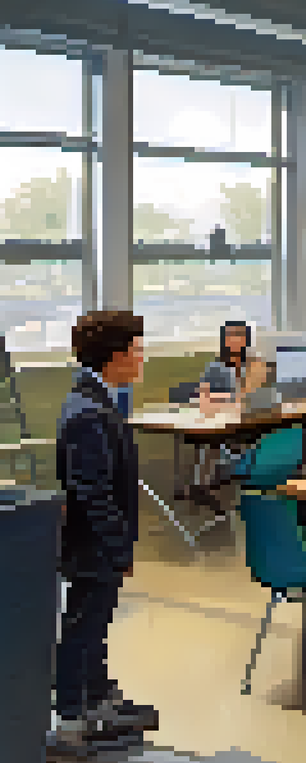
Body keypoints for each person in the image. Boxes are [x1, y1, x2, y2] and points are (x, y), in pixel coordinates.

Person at [56, 310, 159, 740]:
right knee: (84, 627)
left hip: (99, 543)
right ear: (114, 356)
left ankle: (97, 697)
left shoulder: (97, 399)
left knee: (95, 624)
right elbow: (92, 491)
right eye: (136, 350)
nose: (141, 358)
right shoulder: (87, 411)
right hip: (93, 544)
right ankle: (73, 718)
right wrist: (119, 548)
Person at [186, 321, 270, 512]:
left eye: (239, 335)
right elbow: (203, 394)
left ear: (246, 339)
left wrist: (220, 397)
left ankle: (212, 482)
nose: (234, 339)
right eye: (230, 335)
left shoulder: (255, 364)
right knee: (208, 437)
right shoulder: (215, 365)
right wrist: (222, 398)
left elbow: (247, 395)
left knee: (217, 441)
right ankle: (202, 486)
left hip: (249, 421)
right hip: (219, 418)